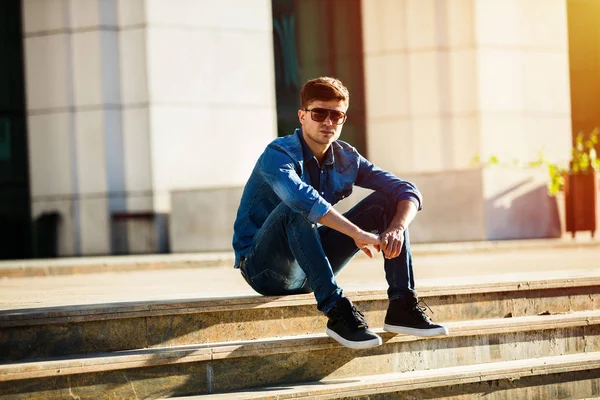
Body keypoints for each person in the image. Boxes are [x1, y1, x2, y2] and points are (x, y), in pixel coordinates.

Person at [232, 77, 447, 349]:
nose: (328, 122)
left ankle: (402, 304)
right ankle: (337, 311)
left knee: (388, 202)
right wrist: (356, 234)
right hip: (263, 269)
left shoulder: (347, 157)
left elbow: (407, 190)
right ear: (302, 116)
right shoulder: (278, 154)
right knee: (296, 207)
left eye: (337, 115)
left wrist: (397, 228)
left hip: (308, 268)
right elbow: (300, 198)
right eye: (319, 113)